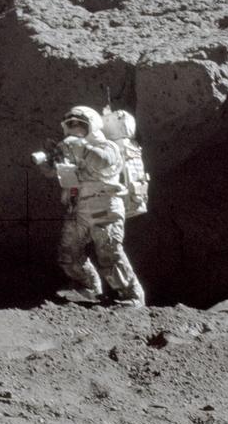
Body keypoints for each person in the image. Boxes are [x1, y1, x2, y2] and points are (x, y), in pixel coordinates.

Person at [32, 105, 145, 307]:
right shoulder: (71, 150)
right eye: (70, 125)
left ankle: (132, 297)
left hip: (105, 207)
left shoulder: (108, 147)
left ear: (91, 126)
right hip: (79, 210)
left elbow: (103, 161)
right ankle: (88, 288)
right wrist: (48, 162)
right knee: (68, 255)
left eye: (79, 124)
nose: (74, 128)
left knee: (109, 255)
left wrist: (79, 147)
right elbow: (55, 173)